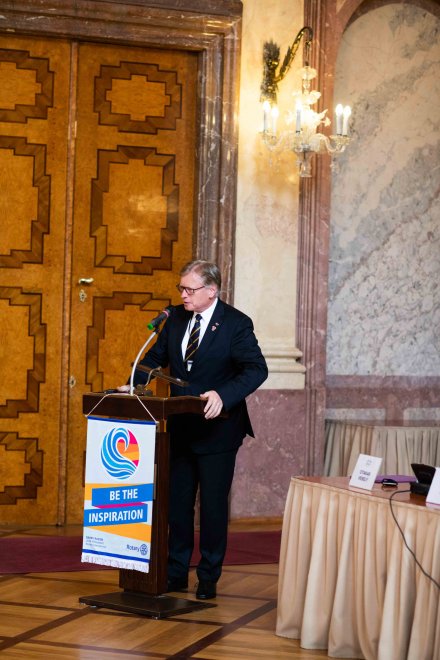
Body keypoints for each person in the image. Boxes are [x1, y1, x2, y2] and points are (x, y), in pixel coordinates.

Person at [126, 260, 268, 599]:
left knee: (213, 508)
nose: (183, 295)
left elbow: (256, 369)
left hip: (219, 429)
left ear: (211, 291)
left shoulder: (235, 324)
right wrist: (133, 382)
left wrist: (223, 394)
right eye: (181, 288)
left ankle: (208, 577)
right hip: (180, 426)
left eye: (190, 290)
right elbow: (154, 359)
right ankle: (176, 572)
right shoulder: (175, 318)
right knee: (178, 506)